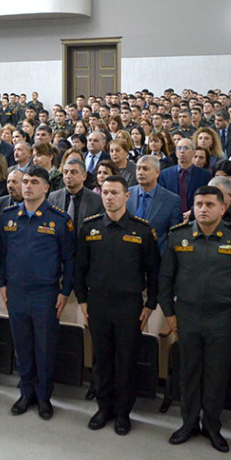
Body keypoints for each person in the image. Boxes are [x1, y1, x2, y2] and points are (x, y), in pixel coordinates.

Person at [160, 186, 231, 453]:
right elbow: (166, 278)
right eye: (199, 204)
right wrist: (169, 313)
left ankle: (212, 426)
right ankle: (188, 423)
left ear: (223, 208)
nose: (203, 209)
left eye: (210, 204)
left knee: (216, 374)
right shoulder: (178, 236)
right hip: (187, 314)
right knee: (188, 372)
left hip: (222, 317)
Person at [76, 175, 160, 435]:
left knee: (126, 360)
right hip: (98, 303)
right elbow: (80, 267)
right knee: (102, 359)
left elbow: (153, 271)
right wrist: (82, 300)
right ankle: (104, 408)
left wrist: (150, 304)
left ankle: (123, 412)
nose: (109, 197)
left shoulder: (142, 230)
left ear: (127, 196)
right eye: (105, 192)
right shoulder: (90, 228)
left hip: (129, 305)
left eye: (114, 192)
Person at [0, 165, 75, 419]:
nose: (28, 186)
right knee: (22, 345)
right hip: (16, 291)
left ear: (46, 188)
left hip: (46, 293)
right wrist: (2, 284)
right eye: (25, 181)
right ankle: (26, 393)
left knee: (44, 347)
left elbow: (69, 259)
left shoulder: (59, 220)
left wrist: (65, 291)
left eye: (34, 182)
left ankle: (43, 397)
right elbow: (2, 254)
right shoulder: (8, 216)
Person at [159, 138, 211, 215]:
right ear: (176, 152)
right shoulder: (165, 174)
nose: (182, 151)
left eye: (186, 148)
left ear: (193, 152)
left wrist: (192, 212)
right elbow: (162, 198)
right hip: (170, 216)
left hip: (195, 216)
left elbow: (207, 197)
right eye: (179, 148)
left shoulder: (205, 175)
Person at [48, 158, 102, 227]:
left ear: (84, 176)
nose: (68, 175)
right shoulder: (53, 197)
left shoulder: (96, 200)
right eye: (65, 172)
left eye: (73, 172)